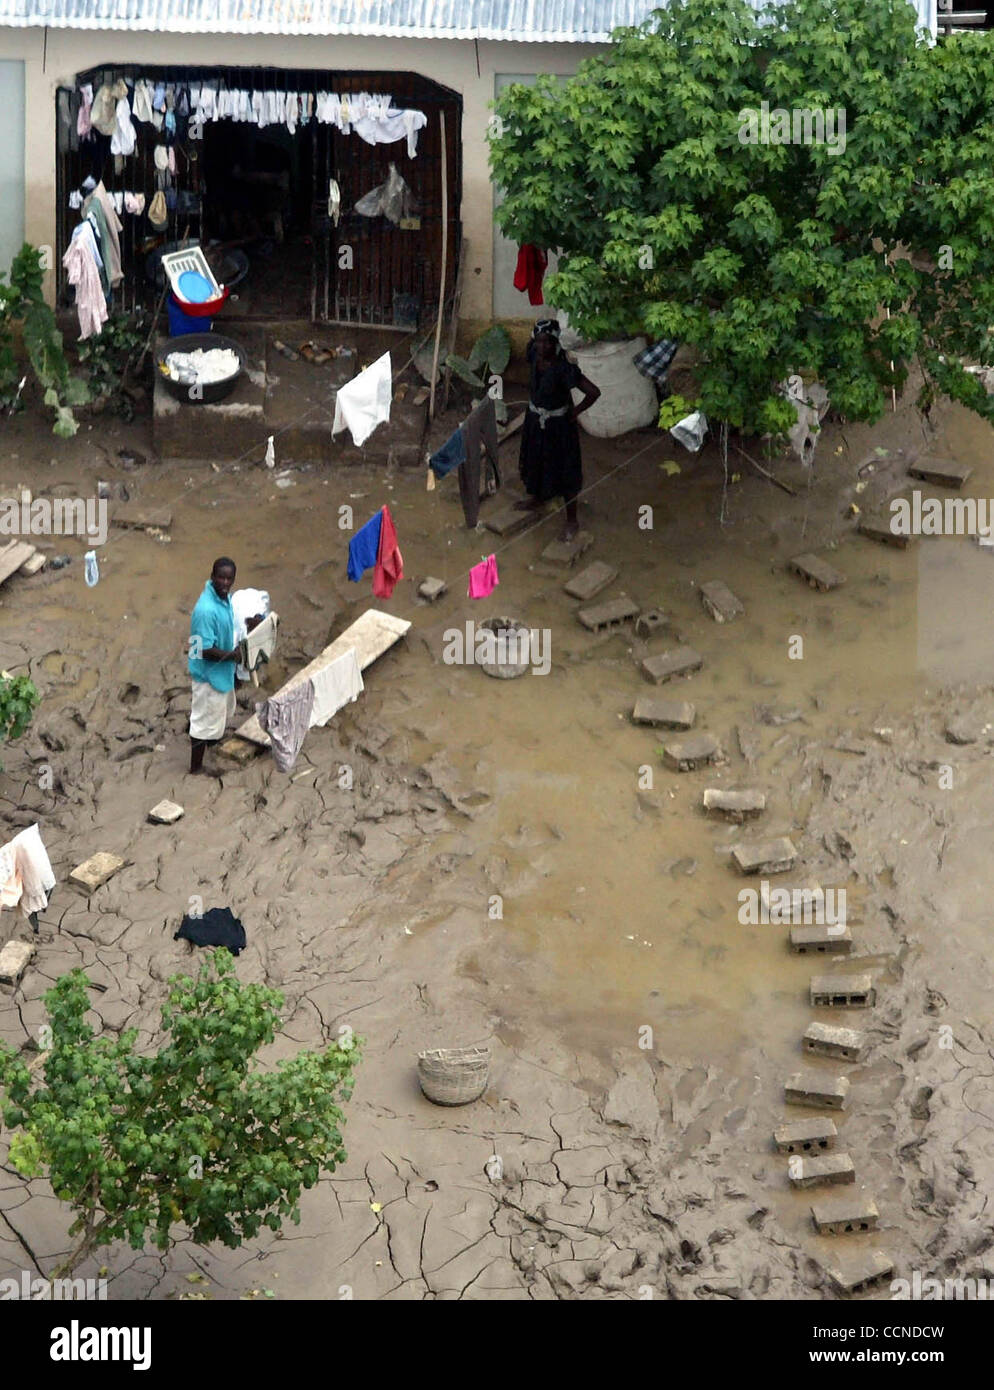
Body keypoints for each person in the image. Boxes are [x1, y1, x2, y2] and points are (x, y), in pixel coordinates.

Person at [517, 320, 600, 541]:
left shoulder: (564, 369)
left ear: (555, 344)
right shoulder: (534, 357)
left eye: (547, 342)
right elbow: (531, 345)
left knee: (565, 471)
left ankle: (571, 519)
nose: (542, 347)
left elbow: (594, 392)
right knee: (535, 460)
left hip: (559, 428)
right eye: (539, 342)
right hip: (535, 421)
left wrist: (575, 412)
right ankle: (537, 498)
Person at [188, 557, 241, 774]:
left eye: (229, 578)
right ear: (212, 577)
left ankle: (210, 741)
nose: (225, 582)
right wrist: (232, 655)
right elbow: (198, 649)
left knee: (214, 715)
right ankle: (196, 767)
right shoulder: (205, 610)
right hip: (208, 675)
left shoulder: (222, 598)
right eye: (221, 577)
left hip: (222, 671)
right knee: (202, 723)